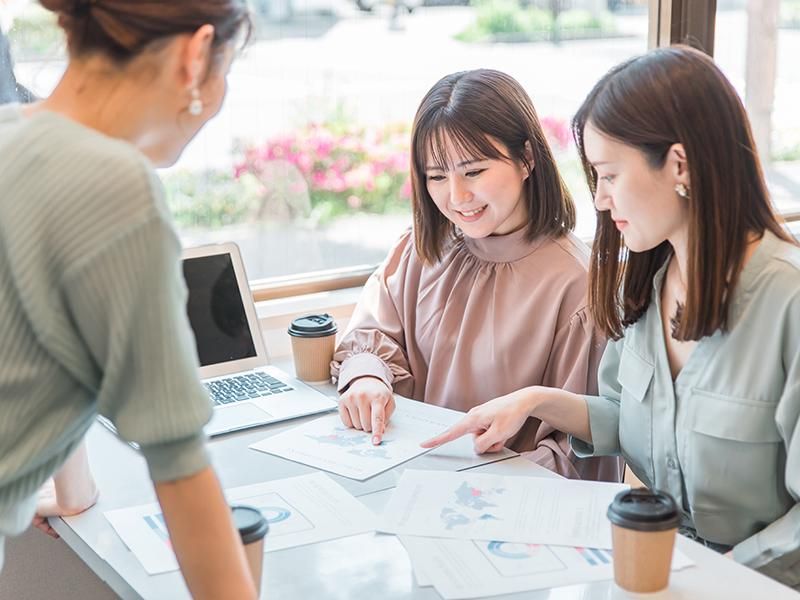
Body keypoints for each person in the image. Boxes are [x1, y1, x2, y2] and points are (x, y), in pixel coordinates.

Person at [422, 46, 800, 589]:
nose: (599, 200)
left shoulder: (787, 303)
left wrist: (714, 578)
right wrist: (533, 402)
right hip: (655, 566)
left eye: (608, 175)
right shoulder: (648, 281)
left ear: (680, 165)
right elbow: (632, 416)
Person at [0, 1, 259, 597]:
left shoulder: (13, 134)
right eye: (228, 66)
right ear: (195, 56)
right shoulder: (115, 187)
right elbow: (180, 464)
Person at [332, 69, 623, 482]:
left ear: (526, 158)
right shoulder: (421, 251)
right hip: (410, 485)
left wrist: (471, 485)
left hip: (510, 508)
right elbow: (373, 337)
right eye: (436, 176)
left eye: (473, 172)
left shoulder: (577, 286)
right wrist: (365, 375)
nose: (456, 197)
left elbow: (576, 451)